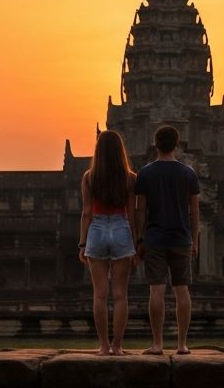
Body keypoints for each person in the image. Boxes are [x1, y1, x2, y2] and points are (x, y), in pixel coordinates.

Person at [135, 124, 201, 356]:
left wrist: (139, 238)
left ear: (155, 144)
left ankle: (157, 344)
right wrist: (195, 239)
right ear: (177, 144)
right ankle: (182, 344)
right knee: (182, 290)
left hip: (154, 237)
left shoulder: (145, 173)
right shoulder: (189, 173)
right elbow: (195, 211)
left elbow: (140, 211)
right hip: (181, 237)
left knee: (156, 290)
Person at [79, 129, 138, 356]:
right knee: (121, 294)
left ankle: (104, 346)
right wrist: (135, 242)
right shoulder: (131, 178)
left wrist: (82, 244)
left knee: (100, 295)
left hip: (97, 229)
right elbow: (132, 213)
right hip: (122, 227)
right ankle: (118, 345)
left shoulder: (89, 177)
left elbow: (86, 213)